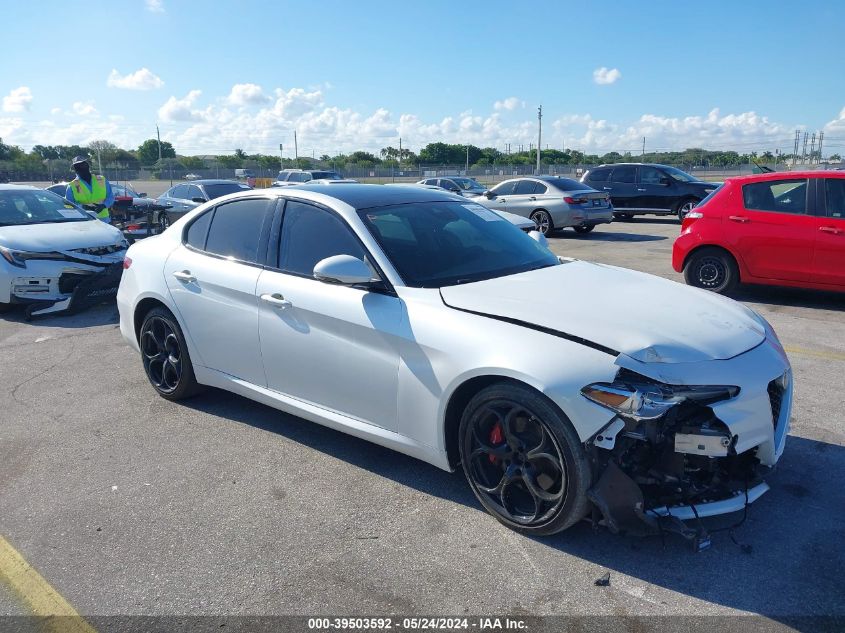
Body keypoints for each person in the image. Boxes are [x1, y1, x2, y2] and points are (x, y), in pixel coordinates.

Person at [65, 155, 114, 222]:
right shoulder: (72, 186)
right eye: (77, 167)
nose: (81, 168)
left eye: (83, 165)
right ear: (75, 170)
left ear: (88, 166)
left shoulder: (101, 179)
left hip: (104, 220)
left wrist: (103, 206)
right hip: (84, 221)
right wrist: (83, 207)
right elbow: (68, 205)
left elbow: (111, 197)